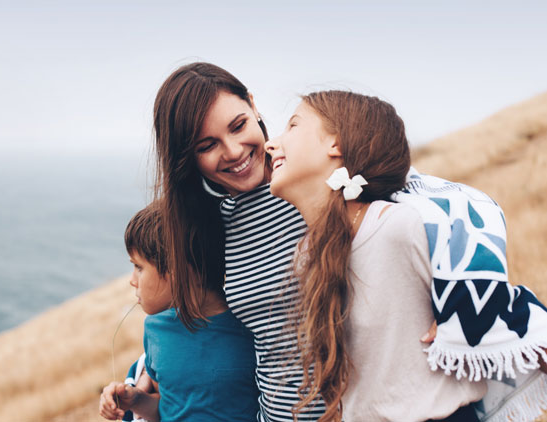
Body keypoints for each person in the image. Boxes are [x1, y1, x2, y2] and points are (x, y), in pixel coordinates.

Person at [264, 90, 547, 422]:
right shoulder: (308, 255)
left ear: (336, 144)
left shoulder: (399, 227)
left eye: (293, 125)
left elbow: (515, 319)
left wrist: (464, 317)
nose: (271, 144)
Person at [152, 62, 325, 421]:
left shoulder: (313, 176)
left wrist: (450, 313)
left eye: (238, 126)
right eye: (207, 145)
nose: (232, 151)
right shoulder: (213, 227)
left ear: (253, 105)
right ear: (187, 159)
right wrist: (143, 378)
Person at [99, 202, 259, 422]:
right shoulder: (155, 328)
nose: (132, 280)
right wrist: (135, 400)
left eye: (139, 267)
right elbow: (165, 407)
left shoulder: (250, 325)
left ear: (177, 270)